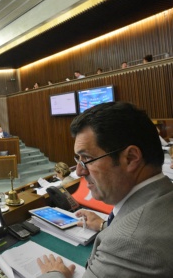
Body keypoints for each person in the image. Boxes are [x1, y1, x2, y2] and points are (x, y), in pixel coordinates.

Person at [37, 102, 172, 278]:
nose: (79, 171)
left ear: (131, 158)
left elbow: (134, 238)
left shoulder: (129, 244)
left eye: (87, 158)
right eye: (78, 160)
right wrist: (105, 225)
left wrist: (55, 274)